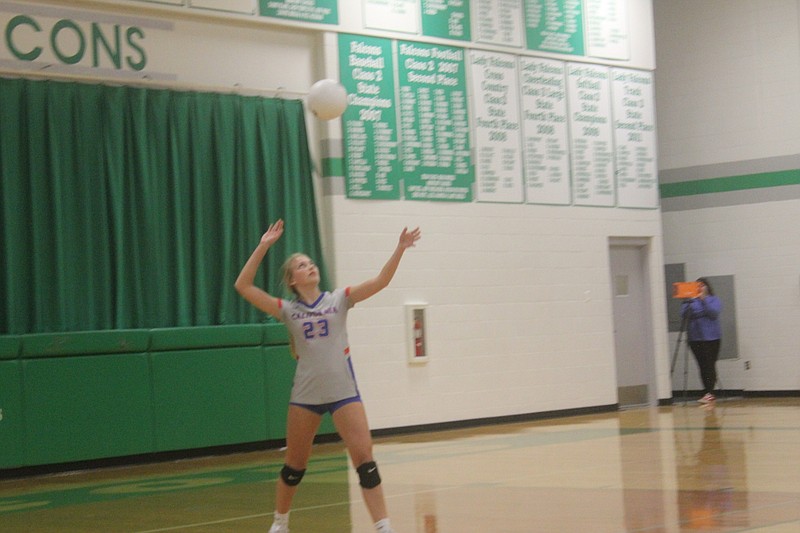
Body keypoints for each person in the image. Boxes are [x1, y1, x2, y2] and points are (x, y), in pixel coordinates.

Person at [234, 219, 421, 533]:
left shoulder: (339, 299)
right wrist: (264, 245)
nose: (309, 267)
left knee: (366, 463)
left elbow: (381, 281)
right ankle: (280, 523)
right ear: (292, 279)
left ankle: (383, 527)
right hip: (305, 397)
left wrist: (399, 249)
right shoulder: (288, 310)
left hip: (344, 392)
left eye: (310, 263)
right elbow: (243, 286)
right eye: (301, 265)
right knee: (294, 467)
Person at [680, 277, 722, 404]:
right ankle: (706, 392)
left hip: (712, 338)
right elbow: (685, 314)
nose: (700, 288)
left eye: (702, 285)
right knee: (702, 365)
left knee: (710, 364)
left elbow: (713, 313)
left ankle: (710, 392)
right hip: (695, 338)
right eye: (697, 286)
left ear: (707, 287)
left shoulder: (714, 300)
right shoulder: (690, 301)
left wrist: (703, 300)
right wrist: (692, 301)